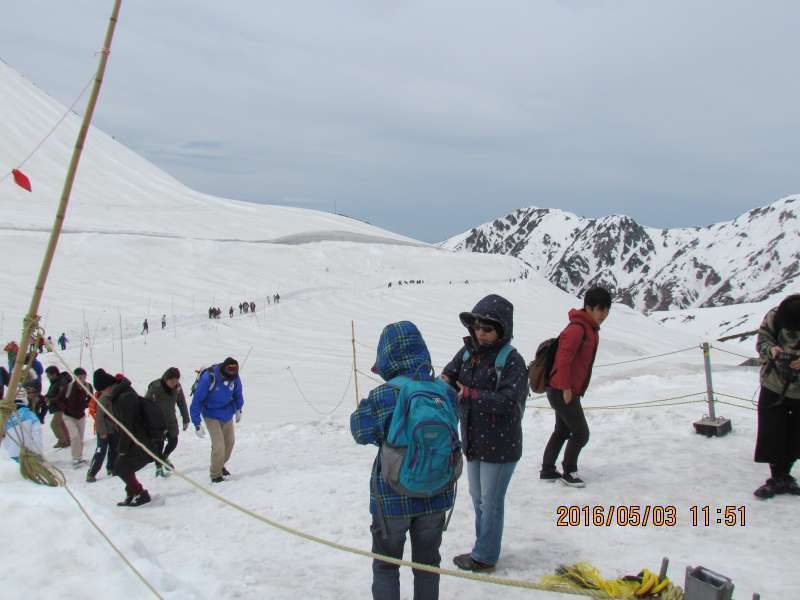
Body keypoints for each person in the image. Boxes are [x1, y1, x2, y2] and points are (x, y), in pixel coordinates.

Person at [351, 321, 457, 600]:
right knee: (427, 565)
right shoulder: (444, 392)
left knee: (387, 566)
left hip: (392, 495)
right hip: (435, 491)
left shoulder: (384, 394)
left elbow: (359, 432)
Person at [441, 294, 528, 573]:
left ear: (502, 330)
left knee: (490, 502)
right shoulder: (468, 352)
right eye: (477, 327)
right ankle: (483, 548)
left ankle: (485, 555)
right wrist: (444, 382)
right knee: (479, 498)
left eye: (487, 328)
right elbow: (449, 373)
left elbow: (511, 404)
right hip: (476, 441)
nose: (480, 333)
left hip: (501, 447)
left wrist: (469, 394)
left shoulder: (512, 361)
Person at [540, 286, 611, 488]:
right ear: (588, 307)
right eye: (600, 309)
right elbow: (563, 360)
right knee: (581, 433)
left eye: (606, 310)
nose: (604, 314)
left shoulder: (586, 328)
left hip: (562, 389)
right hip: (562, 390)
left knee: (562, 430)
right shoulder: (577, 329)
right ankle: (569, 470)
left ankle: (547, 469)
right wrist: (566, 388)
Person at [753, 293, 800, 498]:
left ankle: (786, 474)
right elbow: (762, 341)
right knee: (772, 430)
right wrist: (771, 351)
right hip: (773, 383)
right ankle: (777, 475)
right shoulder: (774, 317)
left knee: (796, 432)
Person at [93, 369, 156, 506]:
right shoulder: (120, 395)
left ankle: (140, 493)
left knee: (121, 467)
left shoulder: (125, 397)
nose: (104, 394)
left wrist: (122, 448)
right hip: (134, 438)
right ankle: (133, 492)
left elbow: (128, 425)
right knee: (121, 467)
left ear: (108, 387)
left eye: (103, 391)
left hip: (140, 439)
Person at [190, 357, 244, 483]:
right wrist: (197, 423)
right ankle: (215, 475)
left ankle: (220, 465)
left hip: (227, 413)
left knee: (229, 444)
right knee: (219, 446)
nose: (232, 374)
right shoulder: (209, 378)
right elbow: (197, 401)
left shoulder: (235, 377)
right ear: (224, 369)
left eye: (234, 371)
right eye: (230, 371)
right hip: (211, 414)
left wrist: (238, 408)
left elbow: (238, 393)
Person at [145, 367, 190, 477]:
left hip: (171, 419)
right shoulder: (155, 387)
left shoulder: (177, 388)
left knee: (173, 440)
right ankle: (158, 467)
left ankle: (164, 457)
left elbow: (182, 402)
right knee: (158, 444)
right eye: (172, 381)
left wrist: (186, 419)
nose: (174, 383)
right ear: (166, 379)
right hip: (157, 421)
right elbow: (146, 403)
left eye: (176, 381)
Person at [86, 384, 120, 482]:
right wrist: (102, 431)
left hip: (113, 429)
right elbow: (99, 416)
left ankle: (111, 467)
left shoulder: (112, 397)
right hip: (104, 430)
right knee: (101, 451)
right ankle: (91, 472)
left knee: (114, 449)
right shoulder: (103, 398)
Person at [61, 367, 92, 468]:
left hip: (81, 415)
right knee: (74, 436)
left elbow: (91, 398)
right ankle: (75, 458)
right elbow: (60, 399)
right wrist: (65, 407)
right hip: (68, 415)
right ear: (75, 377)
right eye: (80, 377)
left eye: (84, 377)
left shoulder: (88, 386)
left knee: (81, 437)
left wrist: (86, 404)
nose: (82, 379)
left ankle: (79, 457)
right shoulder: (68, 387)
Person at [2, 396, 43, 461]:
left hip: (14, 453)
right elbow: (36, 433)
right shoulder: (30, 415)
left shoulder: (3, 419)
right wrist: (38, 451)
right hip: (31, 452)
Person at [44, 366, 72, 449]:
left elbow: (61, 395)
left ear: (54, 374)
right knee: (61, 423)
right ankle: (67, 439)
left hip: (60, 406)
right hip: (57, 405)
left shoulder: (61, 382)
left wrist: (51, 400)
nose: (48, 377)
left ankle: (62, 440)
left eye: (49, 375)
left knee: (54, 424)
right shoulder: (54, 381)